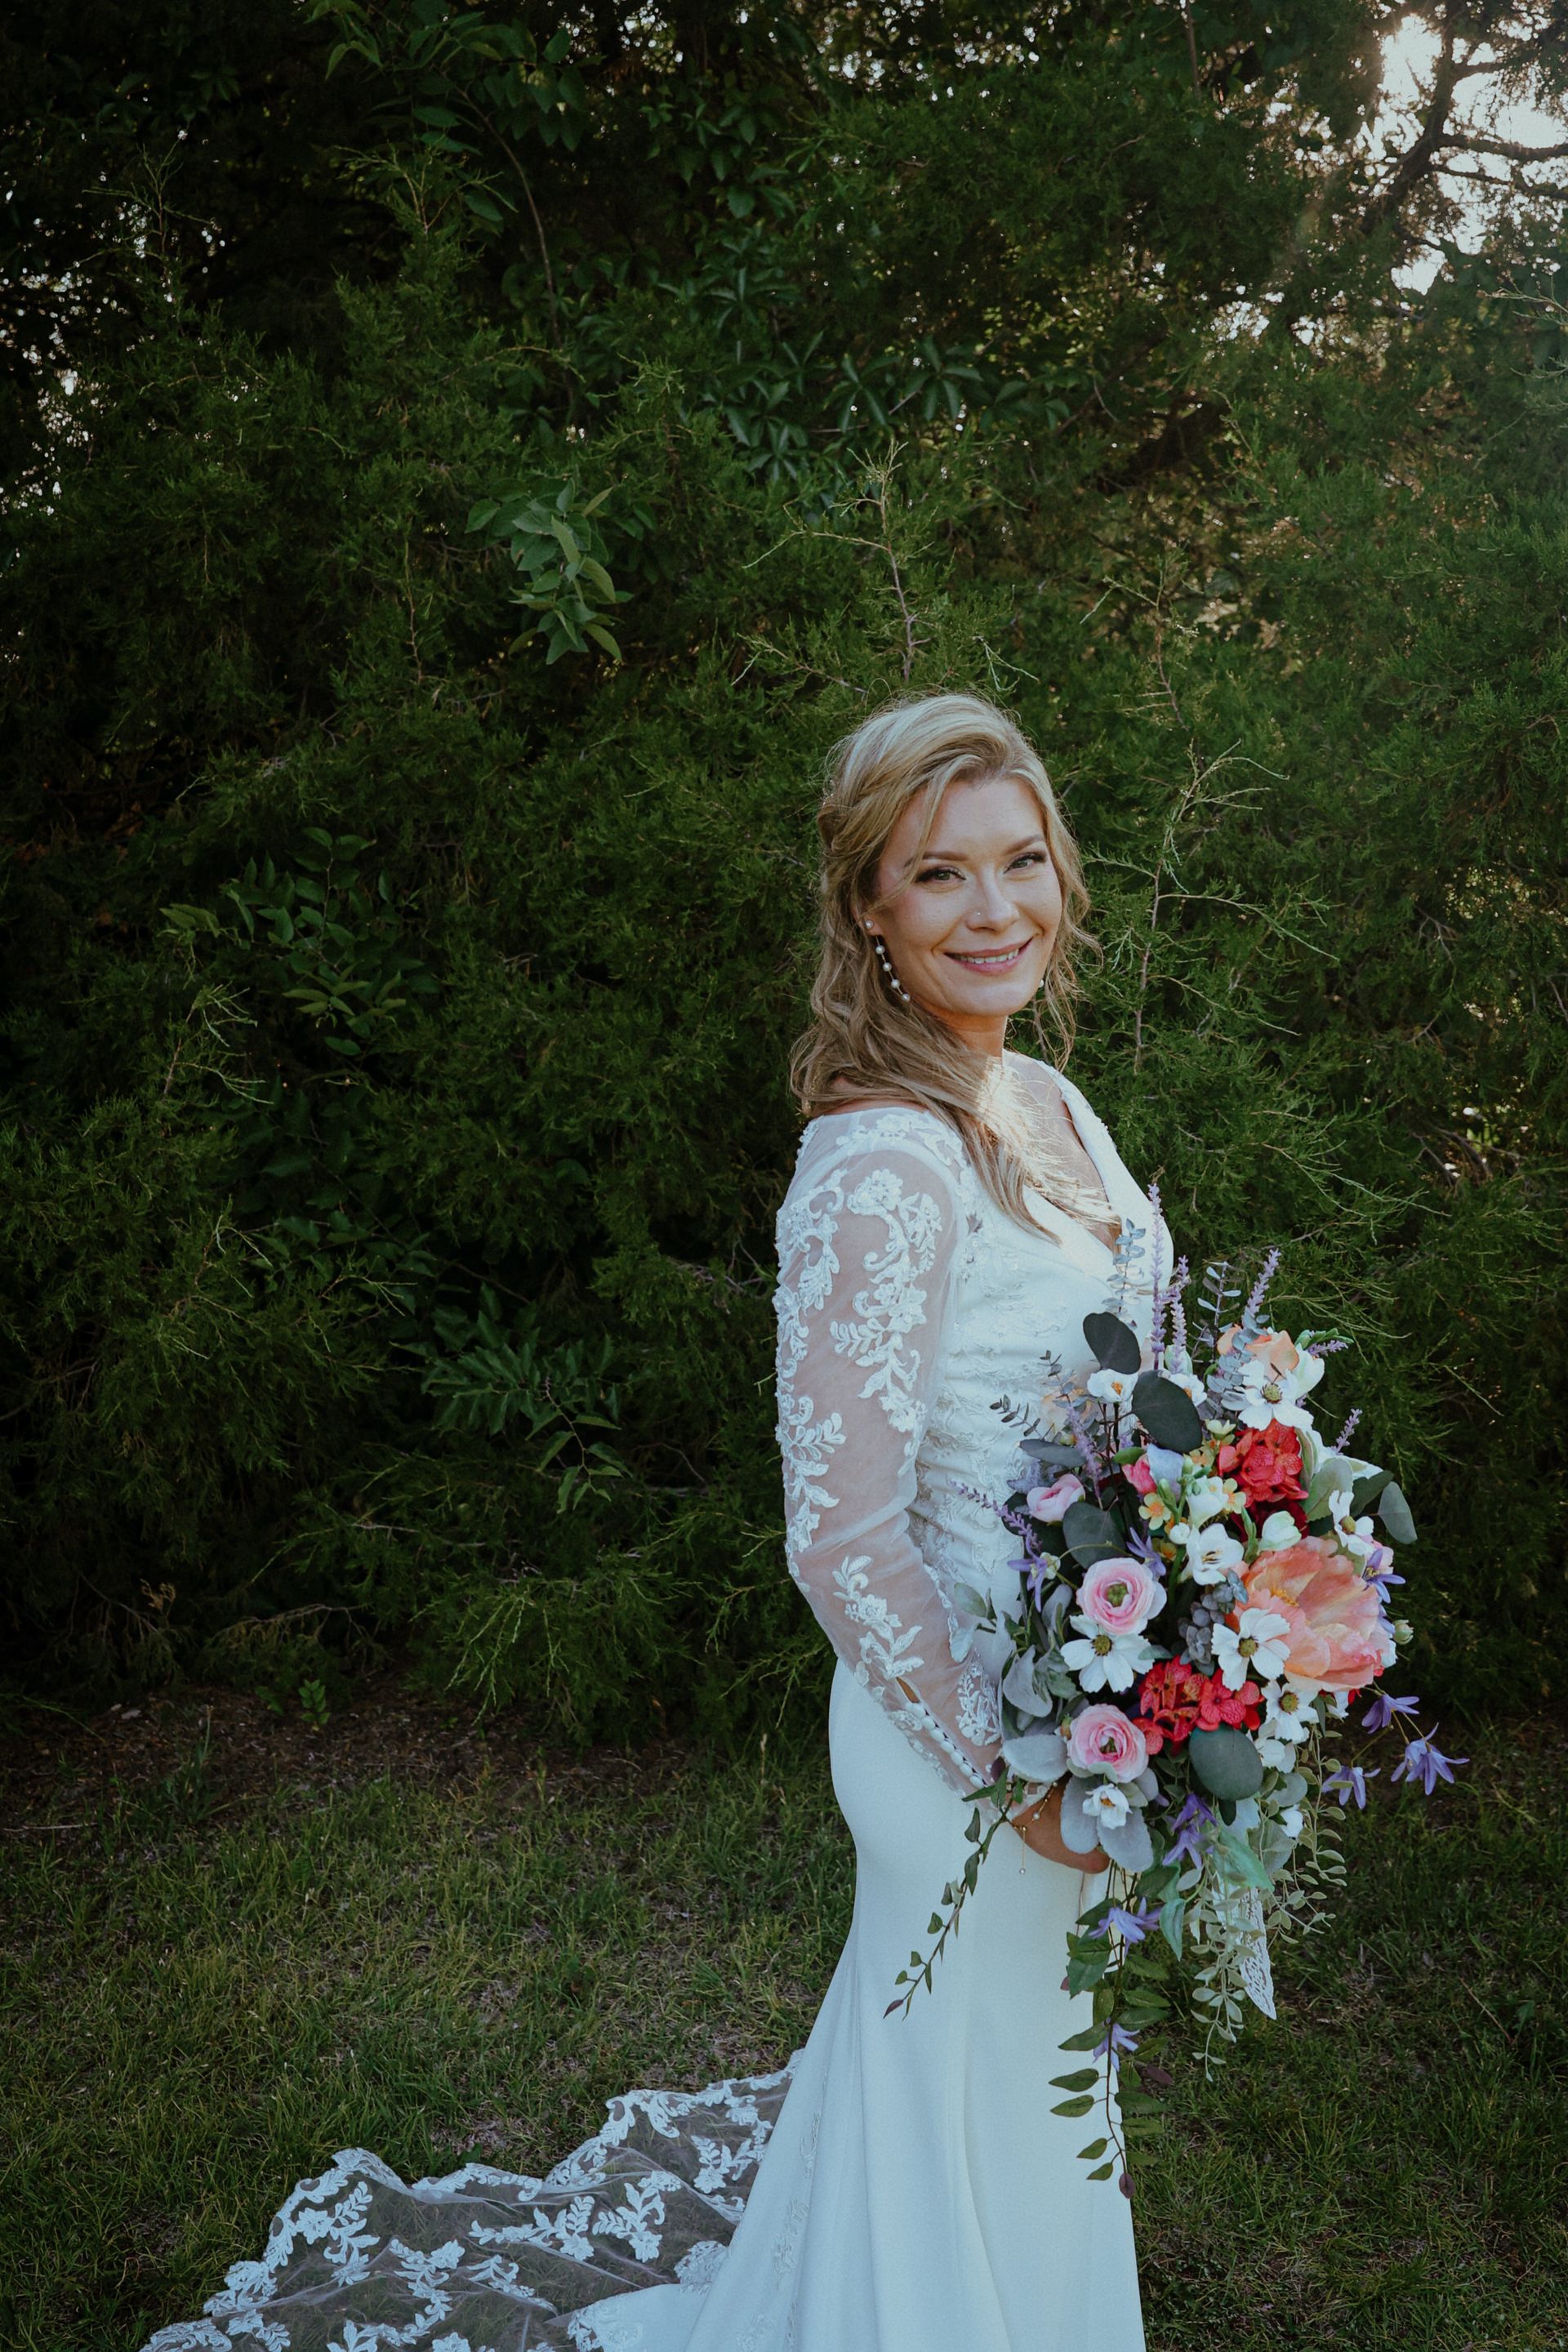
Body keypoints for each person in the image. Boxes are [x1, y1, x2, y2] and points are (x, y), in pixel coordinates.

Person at [144, 693, 1152, 2352]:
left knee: (1025, 2099)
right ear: (870, 913)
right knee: (968, 2080)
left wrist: (1202, 1578)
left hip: (1080, 1711)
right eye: (941, 876)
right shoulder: (880, 1163)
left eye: (1022, 862)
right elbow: (839, 1536)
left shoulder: (1045, 1105)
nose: (997, 912)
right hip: (961, 1737)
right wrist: (1011, 1774)